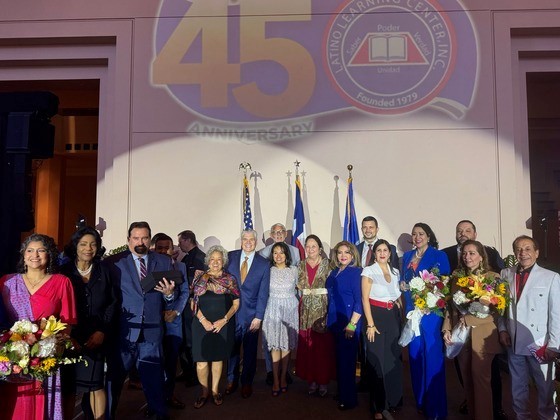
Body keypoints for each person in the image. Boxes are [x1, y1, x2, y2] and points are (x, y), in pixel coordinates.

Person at [0, 233, 77, 420]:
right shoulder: (6, 281)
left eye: (41, 250)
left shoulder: (61, 282)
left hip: (45, 357)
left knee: (42, 405)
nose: (35, 255)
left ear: (49, 254)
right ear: (23, 254)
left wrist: (55, 347)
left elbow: (68, 322)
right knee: (13, 405)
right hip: (13, 357)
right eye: (30, 250)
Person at [105, 221, 176, 420]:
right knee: (115, 379)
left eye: (144, 238)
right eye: (136, 238)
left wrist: (169, 295)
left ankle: (159, 415)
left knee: (153, 379)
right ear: (128, 240)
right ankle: (108, 415)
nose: (140, 242)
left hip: (152, 331)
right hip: (124, 333)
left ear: (150, 240)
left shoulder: (162, 261)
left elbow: (169, 295)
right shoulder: (113, 263)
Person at [441, 220, 507, 419]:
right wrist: (446, 328)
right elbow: (450, 307)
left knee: (481, 380)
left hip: (482, 335)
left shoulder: (493, 277)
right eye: (465, 253)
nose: (467, 256)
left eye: (472, 253)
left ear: (481, 256)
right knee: (467, 380)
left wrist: (469, 318)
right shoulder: (455, 277)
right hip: (461, 335)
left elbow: (497, 310)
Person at [498, 235, 560, 419]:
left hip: (539, 341)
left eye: (527, 249)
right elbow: (500, 307)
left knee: (544, 386)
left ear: (536, 252)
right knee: (517, 385)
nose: (523, 253)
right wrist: (502, 329)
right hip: (514, 340)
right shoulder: (505, 274)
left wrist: (554, 345)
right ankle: (521, 416)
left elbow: (556, 314)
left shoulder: (551, 277)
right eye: (518, 249)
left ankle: (548, 417)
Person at [60, 227, 117, 420]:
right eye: (83, 244)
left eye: (93, 244)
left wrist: (102, 331)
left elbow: (112, 303)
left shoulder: (105, 271)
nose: (88, 248)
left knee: (95, 385)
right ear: (75, 245)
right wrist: (68, 336)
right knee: (68, 389)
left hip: (96, 337)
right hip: (69, 338)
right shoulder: (63, 272)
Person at [401, 222, 450, 419]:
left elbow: (443, 282)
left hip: (430, 314)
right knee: (415, 356)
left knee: (432, 357)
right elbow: (403, 280)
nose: (417, 237)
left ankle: (435, 406)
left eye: (421, 233)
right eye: (414, 234)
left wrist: (429, 300)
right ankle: (421, 400)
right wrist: (402, 285)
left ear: (429, 236)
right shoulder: (406, 257)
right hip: (412, 313)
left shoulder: (439, 255)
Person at [191, 245, 240, 408]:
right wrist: (203, 320)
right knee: (201, 362)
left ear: (224, 261)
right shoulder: (199, 277)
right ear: (208, 261)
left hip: (222, 325)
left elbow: (236, 303)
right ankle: (204, 392)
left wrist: (224, 320)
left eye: (219, 259)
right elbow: (192, 302)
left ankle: (214, 391)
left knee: (218, 359)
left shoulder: (230, 279)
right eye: (212, 259)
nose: (216, 262)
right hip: (201, 325)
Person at [355, 216, 398, 390]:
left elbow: (394, 278)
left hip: (382, 307)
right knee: (364, 346)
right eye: (364, 227)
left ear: (377, 228)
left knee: (382, 351)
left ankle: (380, 386)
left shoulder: (391, 250)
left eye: (371, 227)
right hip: (363, 302)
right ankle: (366, 381)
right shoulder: (356, 248)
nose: (368, 230)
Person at [226, 229, 270, 398]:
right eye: (245, 239)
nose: (249, 242)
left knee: (250, 351)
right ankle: (231, 380)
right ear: (241, 240)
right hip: (231, 314)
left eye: (252, 239)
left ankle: (246, 383)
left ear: (256, 241)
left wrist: (259, 316)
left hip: (252, 316)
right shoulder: (229, 257)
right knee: (232, 350)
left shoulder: (264, 264)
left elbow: (263, 293)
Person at [361, 239, 403, 419]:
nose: (382, 253)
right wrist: (370, 324)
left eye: (385, 250)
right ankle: (378, 407)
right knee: (376, 361)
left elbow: (398, 297)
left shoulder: (395, 272)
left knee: (391, 360)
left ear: (390, 253)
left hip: (392, 316)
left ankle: (391, 401)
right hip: (375, 317)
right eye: (379, 250)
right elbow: (365, 299)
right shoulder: (369, 271)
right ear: (374, 253)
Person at [258, 222, 300, 385]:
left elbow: (301, 287)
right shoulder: (266, 267)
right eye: (275, 253)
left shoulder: (295, 267)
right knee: (273, 343)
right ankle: (273, 376)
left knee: (286, 344)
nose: (278, 255)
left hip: (289, 307)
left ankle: (284, 376)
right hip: (272, 308)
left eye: (282, 231)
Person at [151, 233, 189, 410]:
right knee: (154, 364)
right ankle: (154, 401)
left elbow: (185, 293)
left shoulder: (181, 266)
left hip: (173, 323)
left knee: (171, 363)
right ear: (154, 249)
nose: (164, 251)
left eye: (167, 247)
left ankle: (169, 395)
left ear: (173, 249)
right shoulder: (149, 266)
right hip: (153, 322)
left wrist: (176, 311)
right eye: (160, 248)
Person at [295, 234, 335, 397]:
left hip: (322, 311)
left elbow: (333, 290)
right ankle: (311, 380)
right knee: (307, 346)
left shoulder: (328, 265)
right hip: (305, 311)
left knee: (322, 348)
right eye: (308, 246)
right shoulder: (300, 265)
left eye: (313, 246)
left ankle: (323, 381)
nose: (310, 249)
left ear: (320, 249)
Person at [326, 241, 362, 410]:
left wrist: (352, 325)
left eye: (346, 252)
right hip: (335, 322)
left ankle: (349, 399)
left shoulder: (355, 273)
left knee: (347, 363)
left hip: (349, 323)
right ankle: (342, 392)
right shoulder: (334, 272)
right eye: (339, 252)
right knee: (340, 361)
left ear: (353, 254)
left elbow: (359, 301)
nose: (343, 255)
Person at [177, 229, 206, 386]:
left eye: (180, 241)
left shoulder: (199, 258)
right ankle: (187, 372)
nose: (179, 244)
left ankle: (194, 375)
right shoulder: (187, 258)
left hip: (193, 306)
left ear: (188, 240)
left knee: (191, 340)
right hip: (184, 305)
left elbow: (199, 285)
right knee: (185, 340)